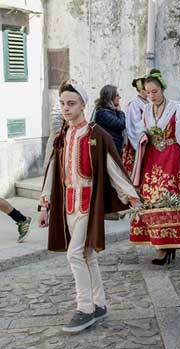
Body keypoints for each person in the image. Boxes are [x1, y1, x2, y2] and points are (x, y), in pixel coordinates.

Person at [39, 82, 140, 333]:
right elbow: (53, 170)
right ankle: (99, 303)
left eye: (71, 103)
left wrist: (130, 196)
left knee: (74, 254)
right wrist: (45, 205)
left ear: (83, 104)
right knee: (86, 255)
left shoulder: (97, 134)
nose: (66, 108)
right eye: (62, 103)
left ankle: (85, 308)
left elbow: (113, 168)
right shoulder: (62, 136)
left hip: (88, 204)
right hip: (68, 204)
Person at [129, 69, 180, 263]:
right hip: (152, 158)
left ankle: (169, 244)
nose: (152, 96)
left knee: (169, 198)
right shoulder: (147, 109)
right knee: (151, 199)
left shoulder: (176, 109)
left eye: (155, 91)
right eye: (148, 92)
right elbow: (140, 130)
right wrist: (143, 136)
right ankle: (160, 245)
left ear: (162, 89)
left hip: (172, 158)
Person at [122, 77, 149, 175]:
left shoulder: (147, 103)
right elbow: (135, 124)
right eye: (147, 89)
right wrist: (147, 130)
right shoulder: (134, 104)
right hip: (137, 138)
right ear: (141, 90)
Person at [92, 85, 126, 156]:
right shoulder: (103, 112)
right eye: (117, 95)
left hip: (112, 148)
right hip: (108, 151)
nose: (120, 97)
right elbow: (121, 125)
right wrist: (120, 112)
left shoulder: (109, 110)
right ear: (111, 97)